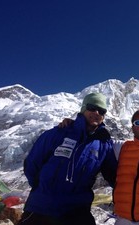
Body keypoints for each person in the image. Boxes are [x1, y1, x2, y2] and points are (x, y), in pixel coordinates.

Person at [17, 93, 117, 225]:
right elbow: (32, 164)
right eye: (92, 107)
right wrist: (42, 188)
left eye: (101, 110)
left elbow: (113, 175)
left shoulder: (104, 144)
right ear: (83, 108)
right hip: (41, 207)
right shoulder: (58, 133)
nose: (96, 112)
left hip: (76, 211)